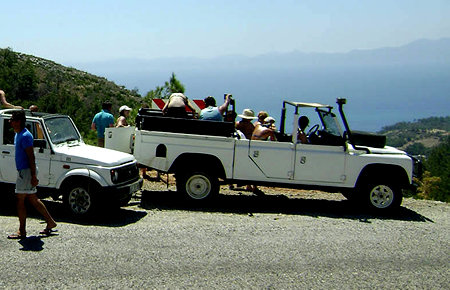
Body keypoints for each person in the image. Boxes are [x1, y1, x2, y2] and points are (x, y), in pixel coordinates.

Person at [7, 110, 57, 239]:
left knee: (20, 199)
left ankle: (22, 231)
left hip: (26, 172)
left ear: (18, 122)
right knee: (33, 199)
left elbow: (31, 157)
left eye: (12, 119)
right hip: (24, 172)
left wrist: (34, 176)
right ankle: (50, 222)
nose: (10, 122)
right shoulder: (18, 134)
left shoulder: (25, 136)